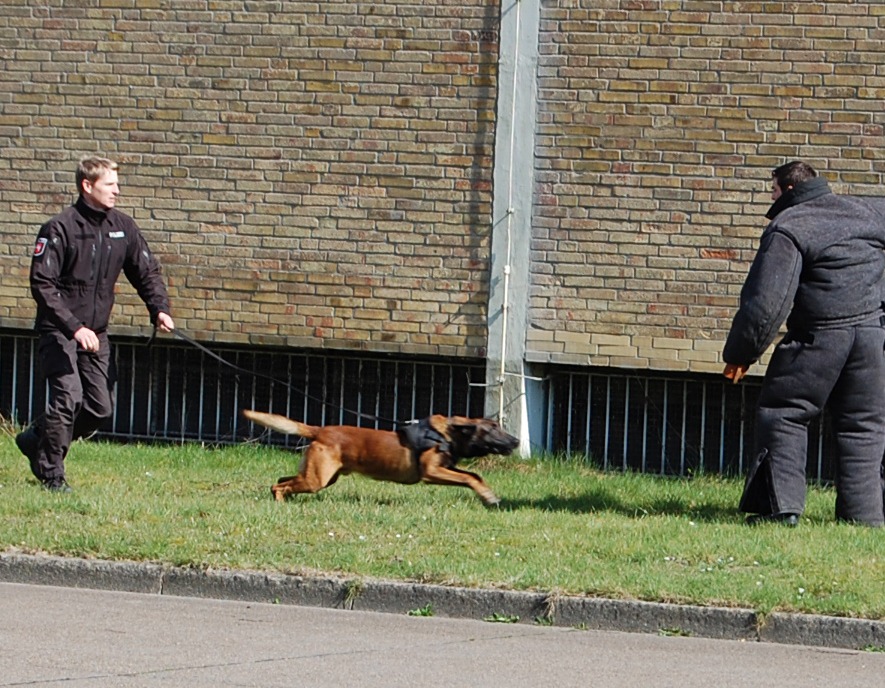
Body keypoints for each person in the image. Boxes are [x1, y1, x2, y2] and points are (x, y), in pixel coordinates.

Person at [722, 160, 885, 527]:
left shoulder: (790, 226)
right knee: (864, 426)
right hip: (872, 340)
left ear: (789, 190)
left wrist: (741, 354)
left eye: (773, 191)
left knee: (784, 413)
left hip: (819, 340)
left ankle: (782, 511)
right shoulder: (867, 211)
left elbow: (766, 303)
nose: (772, 197)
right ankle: (866, 520)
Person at [15, 156, 174, 492]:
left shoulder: (123, 227)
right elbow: (42, 284)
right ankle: (52, 474)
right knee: (68, 398)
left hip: (96, 333)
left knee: (99, 409)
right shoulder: (60, 228)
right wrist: (74, 327)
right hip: (60, 330)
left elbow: (146, 271)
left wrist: (158, 308)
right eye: (110, 184)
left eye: (117, 184)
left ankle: (38, 438)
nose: (117, 190)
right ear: (87, 186)